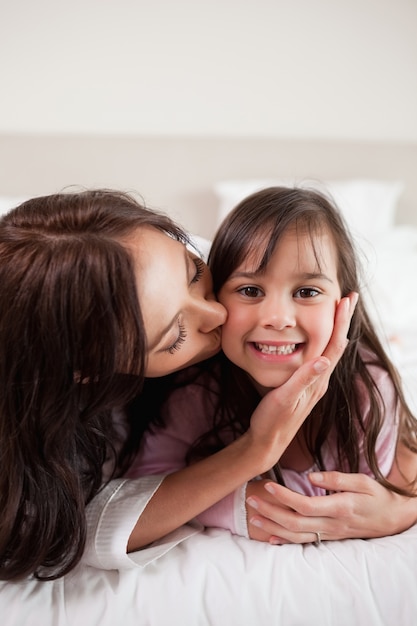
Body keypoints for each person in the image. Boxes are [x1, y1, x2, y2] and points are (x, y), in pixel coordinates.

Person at [0, 188, 355, 581]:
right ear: (92, 370)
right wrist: (257, 450)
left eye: (194, 275)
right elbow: (66, 533)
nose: (218, 312)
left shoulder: (188, 261)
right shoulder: (39, 417)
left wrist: (403, 506)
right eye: (174, 337)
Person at [127, 186, 417, 544]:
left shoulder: (367, 387)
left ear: (343, 306)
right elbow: (142, 489)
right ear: (216, 295)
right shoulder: (196, 388)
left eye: (307, 292)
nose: (278, 318)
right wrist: (233, 503)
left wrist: (398, 509)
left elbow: (404, 480)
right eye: (250, 290)